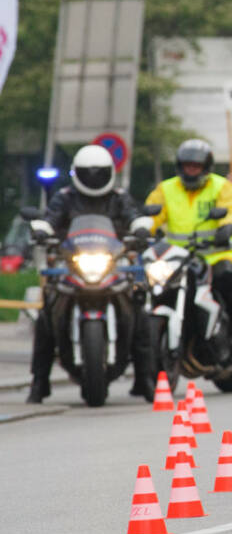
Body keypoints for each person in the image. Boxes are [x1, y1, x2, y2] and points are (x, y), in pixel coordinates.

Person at [26, 145, 156, 404]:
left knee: (139, 310)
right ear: (78, 173)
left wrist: (141, 228)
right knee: (46, 315)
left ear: (110, 173)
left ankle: (145, 378)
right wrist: (42, 229)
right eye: (89, 173)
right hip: (72, 266)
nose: (94, 178)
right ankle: (39, 382)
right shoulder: (64, 197)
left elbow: (134, 216)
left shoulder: (119, 197)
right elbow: (50, 219)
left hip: (113, 266)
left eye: (99, 173)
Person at [144, 139, 232, 350]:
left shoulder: (221, 186)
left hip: (215, 253)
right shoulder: (166, 188)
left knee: (225, 275)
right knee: (155, 285)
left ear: (206, 167)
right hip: (177, 257)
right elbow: (152, 213)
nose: (191, 170)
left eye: (196, 166)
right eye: (187, 166)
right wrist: (141, 228)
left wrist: (227, 227)